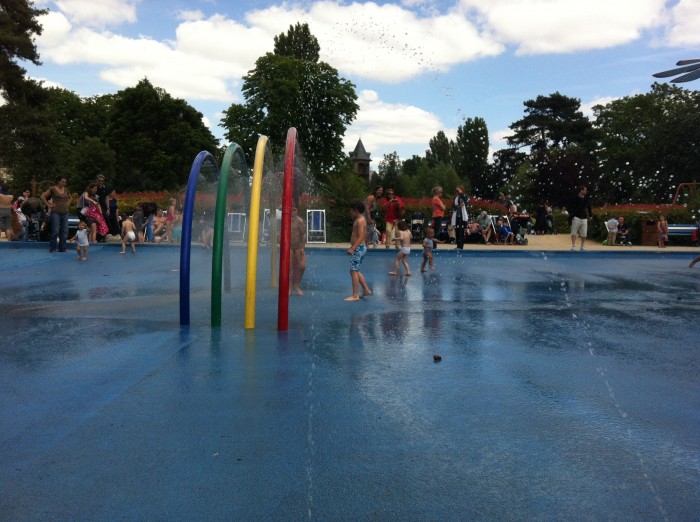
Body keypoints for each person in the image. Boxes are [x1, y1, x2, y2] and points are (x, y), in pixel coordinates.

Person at [345, 200, 372, 301]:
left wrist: (353, 248)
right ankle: (366, 290)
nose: (350, 212)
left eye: (351, 210)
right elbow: (365, 233)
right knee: (356, 270)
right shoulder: (360, 219)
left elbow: (361, 236)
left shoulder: (360, 220)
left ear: (356, 210)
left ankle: (355, 295)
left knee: (353, 271)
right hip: (360, 247)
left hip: (358, 248)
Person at [41, 176, 72, 252]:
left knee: (64, 230)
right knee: (55, 230)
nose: (64, 183)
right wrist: (49, 205)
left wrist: (67, 204)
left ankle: (62, 248)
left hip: (65, 212)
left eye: (65, 182)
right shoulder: (53, 189)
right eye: (62, 182)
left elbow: (70, 197)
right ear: (58, 181)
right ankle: (53, 248)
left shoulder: (66, 190)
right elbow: (42, 196)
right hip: (55, 212)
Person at [569, 185, 592, 251]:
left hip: (584, 218)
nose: (586, 191)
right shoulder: (575, 198)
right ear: (581, 190)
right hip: (576, 217)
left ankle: (582, 245)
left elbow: (589, 207)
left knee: (584, 233)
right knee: (574, 232)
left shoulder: (586, 199)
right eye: (585, 190)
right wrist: (572, 214)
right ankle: (573, 245)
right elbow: (570, 207)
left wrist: (590, 215)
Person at [290, 207, 306, 296]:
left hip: (298, 246)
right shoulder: (285, 220)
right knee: (289, 267)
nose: (293, 212)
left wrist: (303, 247)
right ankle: (289, 286)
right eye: (291, 210)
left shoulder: (299, 221)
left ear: (297, 211)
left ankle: (296, 284)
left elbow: (303, 235)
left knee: (302, 266)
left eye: (294, 210)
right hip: (289, 247)